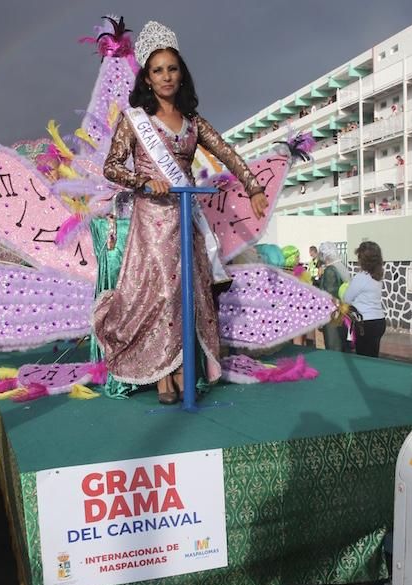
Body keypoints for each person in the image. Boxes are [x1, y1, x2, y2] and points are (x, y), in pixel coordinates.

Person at [95, 21, 268, 405]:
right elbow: (111, 166)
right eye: (158, 70)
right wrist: (143, 180)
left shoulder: (193, 123)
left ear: (181, 73)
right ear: (148, 78)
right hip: (152, 219)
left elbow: (227, 153)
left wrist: (254, 186)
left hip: (186, 216)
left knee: (185, 292)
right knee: (160, 292)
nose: (166, 76)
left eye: (172, 68)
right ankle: (161, 375)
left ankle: (177, 368)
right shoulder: (135, 120)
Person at [343, 241, 387, 358]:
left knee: (363, 358)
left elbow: (346, 298)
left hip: (365, 323)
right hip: (379, 320)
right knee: (373, 357)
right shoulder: (377, 276)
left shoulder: (361, 278)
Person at [317, 242, 352, 352]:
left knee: (333, 344)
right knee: (341, 343)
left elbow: (329, 294)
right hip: (341, 311)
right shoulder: (340, 266)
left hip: (333, 315)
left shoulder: (330, 270)